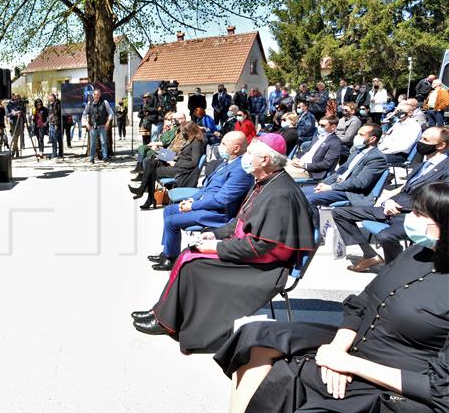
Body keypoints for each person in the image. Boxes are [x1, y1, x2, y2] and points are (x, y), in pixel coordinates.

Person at [214, 182, 449, 413]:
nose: (408, 218)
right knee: (256, 336)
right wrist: (338, 349)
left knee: (284, 375)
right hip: (355, 343)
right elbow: (363, 302)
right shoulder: (418, 251)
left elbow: (441, 387)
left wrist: (348, 364)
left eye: (419, 214)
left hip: (391, 375)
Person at [131, 133, 315, 353]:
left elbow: (261, 246)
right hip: (251, 251)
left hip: (265, 266)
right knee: (188, 253)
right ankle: (161, 312)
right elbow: (240, 221)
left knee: (192, 264)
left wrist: (217, 247)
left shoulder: (280, 194)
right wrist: (215, 235)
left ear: (264, 160)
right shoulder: (266, 182)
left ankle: (169, 323)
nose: (245, 157)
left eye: (250, 153)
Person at [334, 126, 449, 271]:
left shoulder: (446, 169)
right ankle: (369, 255)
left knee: (385, 236)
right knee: (340, 213)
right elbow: (405, 189)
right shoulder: (421, 164)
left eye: (425, 140)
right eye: (421, 138)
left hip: (414, 214)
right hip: (391, 207)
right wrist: (388, 201)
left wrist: (401, 207)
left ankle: (394, 270)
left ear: (441, 145)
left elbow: (438, 200)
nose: (420, 142)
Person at [149, 132, 254, 270]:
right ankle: (168, 251)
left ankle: (171, 259)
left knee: (171, 221)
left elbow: (222, 200)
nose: (219, 147)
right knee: (169, 210)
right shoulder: (226, 162)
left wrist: (193, 206)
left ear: (236, 148)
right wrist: (191, 199)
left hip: (219, 213)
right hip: (207, 204)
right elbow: (207, 188)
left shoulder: (240, 170)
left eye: (223, 144)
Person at [301, 124, 387, 228]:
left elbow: (360, 183)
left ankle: (313, 231)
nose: (356, 137)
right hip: (339, 186)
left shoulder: (377, 158)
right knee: (297, 192)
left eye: (361, 134)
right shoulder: (357, 152)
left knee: (309, 199)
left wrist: (330, 187)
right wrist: (323, 183)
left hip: (352, 192)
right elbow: (340, 171)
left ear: (372, 139)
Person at [129, 121, 205, 210]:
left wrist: (175, 163)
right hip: (173, 159)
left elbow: (194, 163)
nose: (183, 133)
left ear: (191, 131)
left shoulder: (196, 143)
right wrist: (170, 158)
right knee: (150, 162)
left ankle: (147, 196)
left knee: (151, 170)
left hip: (181, 169)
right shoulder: (189, 139)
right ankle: (143, 191)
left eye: (185, 131)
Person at [287, 115, 342, 181]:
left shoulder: (335, 142)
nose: (319, 127)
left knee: (279, 172)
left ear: (333, 127)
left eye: (323, 125)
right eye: (319, 124)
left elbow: (327, 164)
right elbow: (307, 151)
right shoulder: (317, 137)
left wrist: (305, 165)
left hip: (310, 172)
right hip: (299, 165)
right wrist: (297, 158)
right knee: (276, 164)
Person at [83, 88, 114, 164]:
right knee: (93, 143)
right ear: (93, 95)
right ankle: (91, 158)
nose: (96, 96)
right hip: (93, 127)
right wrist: (86, 123)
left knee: (103, 143)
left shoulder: (104, 102)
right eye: (95, 94)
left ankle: (105, 158)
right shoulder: (89, 103)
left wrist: (108, 123)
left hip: (102, 126)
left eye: (97, 94)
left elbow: (111, 113)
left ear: (100, 95)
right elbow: (84, 115)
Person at [47, 93, 62, 158]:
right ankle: (57, 152)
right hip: (52, 123)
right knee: (56, 138)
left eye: (51, 98)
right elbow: (50, 113)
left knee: (55, 139)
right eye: (49, 98)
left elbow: (57, 113)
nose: (50, 99)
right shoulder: (50, 104)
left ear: (53, 97)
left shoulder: (57, 104)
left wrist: (56, 123)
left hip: (56, 123)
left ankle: (55, 153)